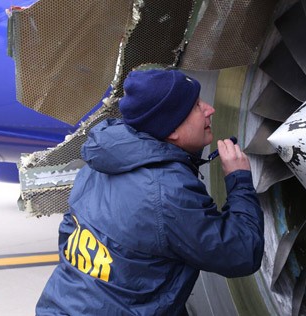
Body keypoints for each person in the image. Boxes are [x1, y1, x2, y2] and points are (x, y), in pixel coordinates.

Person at [35, 69, 264, 315]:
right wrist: (238, 179)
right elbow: (241, 253)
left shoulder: (99, 162)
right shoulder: (168, 193)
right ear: (172, 130)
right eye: (197, 106)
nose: (210, 109)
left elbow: (70, 231)